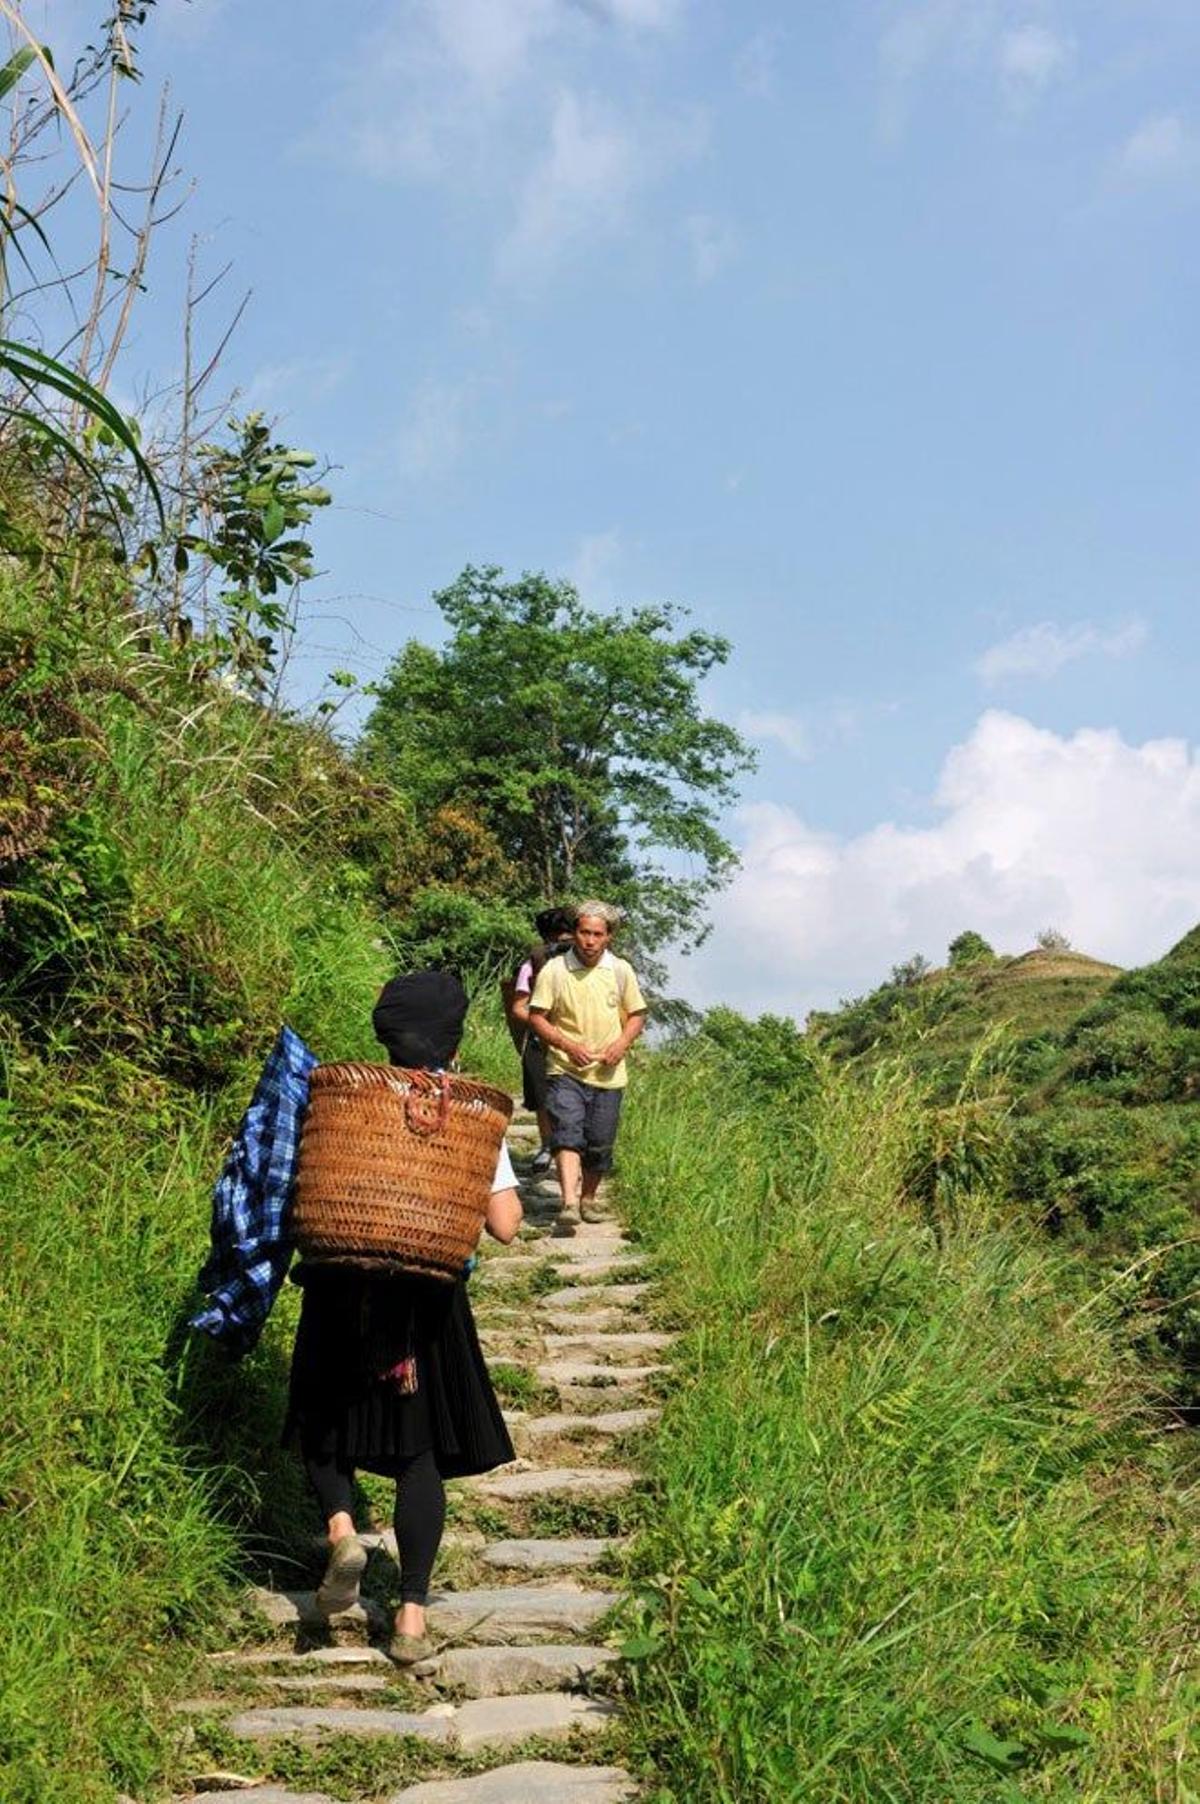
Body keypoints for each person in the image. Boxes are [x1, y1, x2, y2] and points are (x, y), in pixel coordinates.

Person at [283, 970, 523, 1666]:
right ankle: (412, 1618)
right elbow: (505, 1224)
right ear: (450, 1037)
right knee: (420, 1460)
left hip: (337, 1285)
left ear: (385, 1033)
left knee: (323, 1423)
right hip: (425, 1305)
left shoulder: (344, 1096)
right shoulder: (467, 1112)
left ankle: (341, 1532)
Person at [527, 901, 647, 1228]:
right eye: (584, 932)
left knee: (599, 1143)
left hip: (608, 1073)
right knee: (567, 1132)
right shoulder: (554, 970)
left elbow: (637, 1014)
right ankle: (568, 1202)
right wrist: (566, 1044)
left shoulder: (620, 970)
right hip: (564, 1067)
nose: (589, 941)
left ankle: (588, 1200)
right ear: (575, 933)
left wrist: (621, 1044)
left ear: (608, 937)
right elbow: (536, 1017)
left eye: (597, 934)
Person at [509, 905, 576, 1173]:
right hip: (539, 1040)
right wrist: (543, 1026)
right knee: (541, 1095)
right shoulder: (534, 962)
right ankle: (548, 1145)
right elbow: (518, 1006)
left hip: (579, 1040)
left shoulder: (590, 963)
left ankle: (567, 1148)